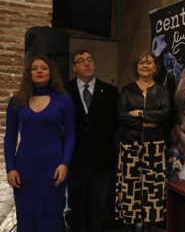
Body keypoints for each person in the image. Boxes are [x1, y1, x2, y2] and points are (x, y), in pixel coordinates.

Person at [4, 56, 75, 231]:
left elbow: (71, 135)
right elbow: (10, 136)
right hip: (24, 167)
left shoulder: (63, 99)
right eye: (35, 68)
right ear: (29, 73)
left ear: (51, 73)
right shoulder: (17, 101)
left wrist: (64, 164)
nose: (39, 71)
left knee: (51, 214)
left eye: (44, 68)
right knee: (26, 214)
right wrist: (10, 168)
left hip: (53, 166)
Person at [115, 51, 171, 232]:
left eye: (149, 63)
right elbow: (121, 116)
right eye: (141, 63)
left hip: (155, 146)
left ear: (155, 67)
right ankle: (130, 224)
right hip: (130, 144)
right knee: (129, 185)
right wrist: (147, 122)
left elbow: (165, 113)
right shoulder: (127, 90)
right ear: (136, 67)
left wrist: (139, 113)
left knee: (154, 185)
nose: (145, 66)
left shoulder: (162, 90)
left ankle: (151, 224)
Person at [65, 49, 119, 231]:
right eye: (81, 61)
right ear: (74, 68)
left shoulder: (111, 91)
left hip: (102, 161)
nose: (87, 63)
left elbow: (116, 125)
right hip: (74, 160)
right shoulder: (64, 91)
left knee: (101, 206)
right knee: (75, 206)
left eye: (90, 59)